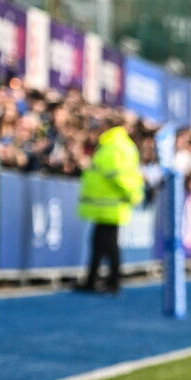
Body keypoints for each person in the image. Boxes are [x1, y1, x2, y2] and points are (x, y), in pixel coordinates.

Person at [77, 122, 145, 295]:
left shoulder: (114, 147)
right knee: (100, 244)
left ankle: (112, 282)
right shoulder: (123, 146)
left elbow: (115, 175)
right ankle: (94, 280)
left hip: (108, 204)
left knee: (108, 245)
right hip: (110, 204)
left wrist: (129, 193)